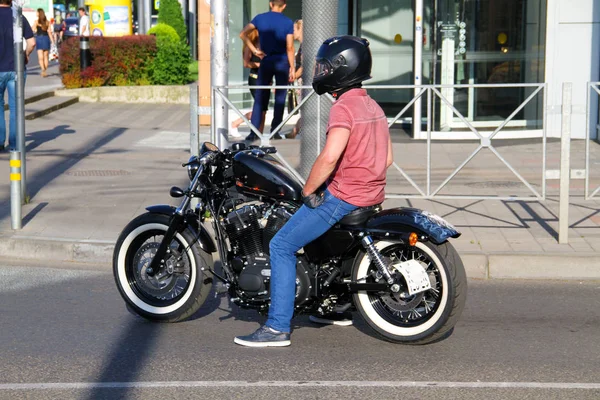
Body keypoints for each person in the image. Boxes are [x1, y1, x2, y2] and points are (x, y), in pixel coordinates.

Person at [234, 36, 394, 347]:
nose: (319, 71)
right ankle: (336, 307)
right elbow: (387, 158)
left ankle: (277, 327)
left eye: (324, 65)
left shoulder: (344, 107)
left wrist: (309, 189)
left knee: (281, 245)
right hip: (372, 195)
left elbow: (330, 156)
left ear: (341, 68)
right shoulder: (372, 104)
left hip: (343, 197)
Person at [239, 0, 295, 142]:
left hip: (265, 60)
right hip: (282, 62)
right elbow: (289, 47)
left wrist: (254, 50)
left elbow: (243, 34)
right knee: (280, 97)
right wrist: (292, 67)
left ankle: (254, 133)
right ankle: (275, 131)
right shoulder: (288, 22)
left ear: (271, 4)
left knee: (260, 97)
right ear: (284, 6)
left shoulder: (260, 18)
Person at [0, 0, 36, 152]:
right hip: (17, 68)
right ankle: (15, 146)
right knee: (16, 109)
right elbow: (32, 42)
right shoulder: (18, 15)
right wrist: (25, 55)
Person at [230, 28, 267, 137]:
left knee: (263, 109)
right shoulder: (249, 46)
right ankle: (236, 123)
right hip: (255, 78)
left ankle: (260, 134)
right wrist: (260, 65)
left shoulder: (263, 45)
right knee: (259, 108)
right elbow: (246, 63)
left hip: (264, 78)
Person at [289, 19, 303, 138]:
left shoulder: (305, 46)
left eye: (294, 29)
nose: (291, 32)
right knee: (304, 110)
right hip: (301, 82)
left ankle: (294, 132)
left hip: (303, 82)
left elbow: (305, 66)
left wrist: (293, 77)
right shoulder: (302, 46)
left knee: (306, 109)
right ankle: (294, 132)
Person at [32, 8, 54, 77]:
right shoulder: (47, 22)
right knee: (46, 56)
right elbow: (49, 32)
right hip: (46, 38)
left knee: (40, 57)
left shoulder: (36, 22)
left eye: (37, 12)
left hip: (39, 38)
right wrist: (52, 41)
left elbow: (33, 29)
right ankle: (45, 70)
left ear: (39, 13)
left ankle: (43, 70)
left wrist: (35, 31)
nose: (36, 13)